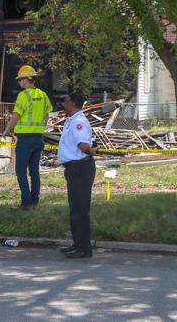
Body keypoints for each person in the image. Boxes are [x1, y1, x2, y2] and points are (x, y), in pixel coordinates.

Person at [0, 65, 52, 211]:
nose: (18, 82)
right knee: (34, 171)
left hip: (25, 139)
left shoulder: (23, 95)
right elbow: (47, 114)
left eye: (20, 79)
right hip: (38, 138)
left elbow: (16, 115)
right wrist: (40, 128)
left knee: (20, 171)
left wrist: (6, 131)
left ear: (27, 79)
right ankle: (34, 202)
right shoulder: (43, 95)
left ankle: (26, 203)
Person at [57, 92, 97, 259]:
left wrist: (93, 152)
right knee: (75, 209)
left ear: (72, 103)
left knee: (80, 210)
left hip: (80, 167)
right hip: (74, 168)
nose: (63, 104)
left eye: (65, 102)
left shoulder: (78, 122)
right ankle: (77, 244)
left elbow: (82, 145)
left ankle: (84, 248)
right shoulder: (71, 120)